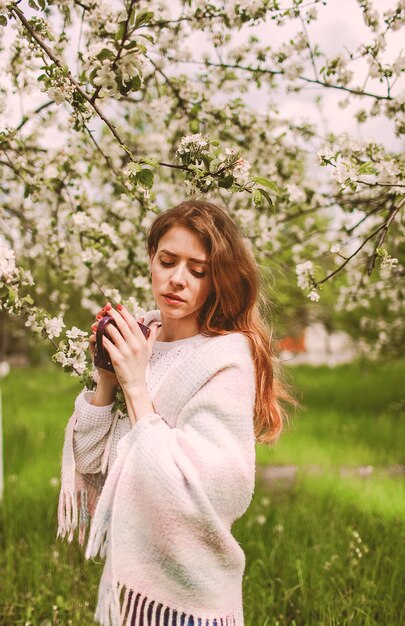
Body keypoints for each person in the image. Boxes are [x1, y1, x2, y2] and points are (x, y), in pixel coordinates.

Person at [57, 199, 298, 626]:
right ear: (152, 260)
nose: (177, 279)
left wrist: (135, 385)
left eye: (197, 270)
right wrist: (108, 375)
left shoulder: (224, 358)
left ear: (216, 279)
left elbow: (219, 489)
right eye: (167, 261)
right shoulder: (141, 339)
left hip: (189, 602)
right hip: (128, 589)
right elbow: (95, 466)